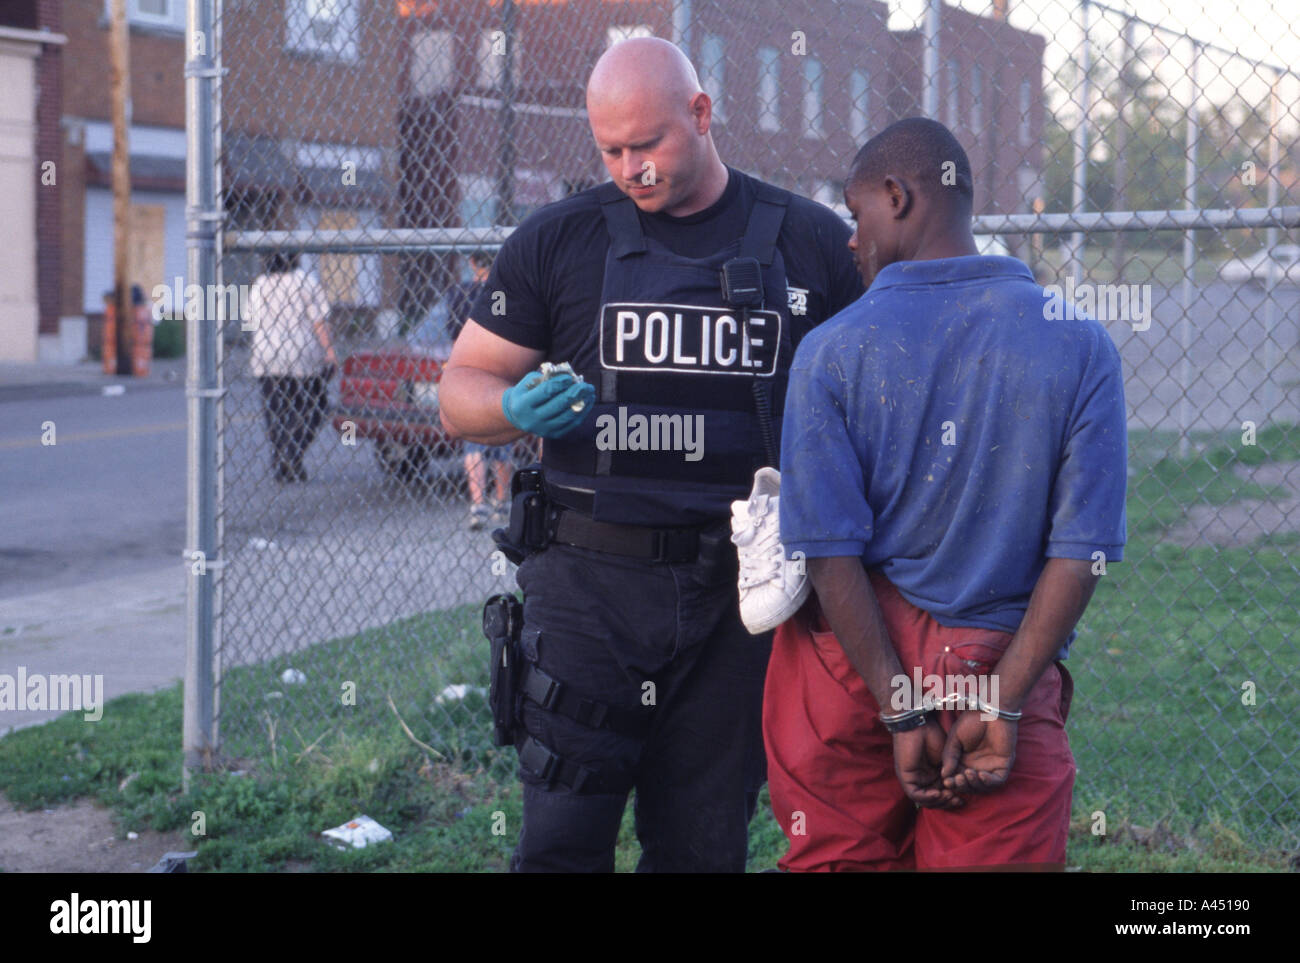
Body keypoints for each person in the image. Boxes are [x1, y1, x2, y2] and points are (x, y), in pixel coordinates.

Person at [439, 37, 862, 872]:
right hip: (587, 595)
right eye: (610, 149)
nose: (630, 167)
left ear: (701, 114)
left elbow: (879, 397)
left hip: (734, 602)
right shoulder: (562, 240)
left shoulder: (808, 242)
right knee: (561, 842)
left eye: (647, 144)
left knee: (701, 848)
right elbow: (462, 383)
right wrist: (508, 406)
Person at [766, 118, 1128, 871]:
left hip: (849, 664)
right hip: (995, 656)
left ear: (896, 197)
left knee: (839, 855)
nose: (849, 238)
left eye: (855, 212)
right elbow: (1082, 549)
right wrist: (1003, 699)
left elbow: (830, 556)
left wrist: (899, 703)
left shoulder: (829, 352)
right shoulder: (1081, 343)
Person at [247, 251, 337, 483]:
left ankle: (282, 459)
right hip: (301, 354)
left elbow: (252, 320)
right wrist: (329, 353)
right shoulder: (305, 282)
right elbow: (319, 321)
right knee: (316, 406)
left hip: (267, 353)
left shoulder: (260, 285)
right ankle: (293, 450)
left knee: (275, 411)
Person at [447, 253, 514, 528]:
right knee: (502, 434)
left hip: (468, 365)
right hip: (501, 364)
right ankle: (502, 500)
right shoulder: (507, 291)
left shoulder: (460, 292)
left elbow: (451, 328)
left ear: (473, 263)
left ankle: (478, 504)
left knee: (474, 436)